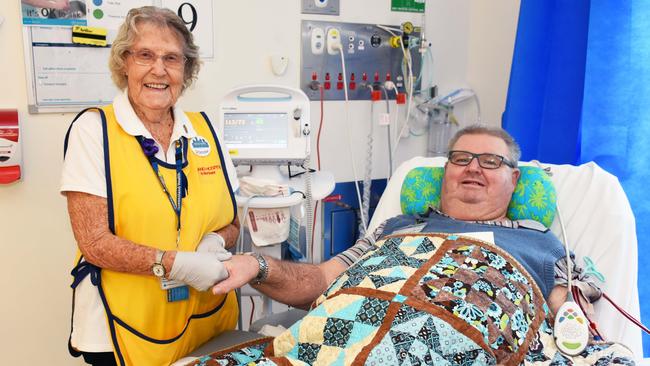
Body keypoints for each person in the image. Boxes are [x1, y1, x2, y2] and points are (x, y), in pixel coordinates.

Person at [213, 125, 594, 313]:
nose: (473, 168)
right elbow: (319, 281)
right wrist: (256, 265)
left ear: (514, 179)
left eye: (491, 161)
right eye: (461, 159)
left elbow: (575, 322)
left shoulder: (541, 245)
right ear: (445, 172)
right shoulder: (397, 229)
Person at [61, 6, 239, 366]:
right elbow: (93, 242)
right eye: (145, 55)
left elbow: (233, 222)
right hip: (120, 325)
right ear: (124, 62)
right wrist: (173, 264)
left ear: (186, 70)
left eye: (172, 58)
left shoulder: (206, 132)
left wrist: (216, 241)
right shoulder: (94, 131)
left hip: (202, 320)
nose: (159, 70)